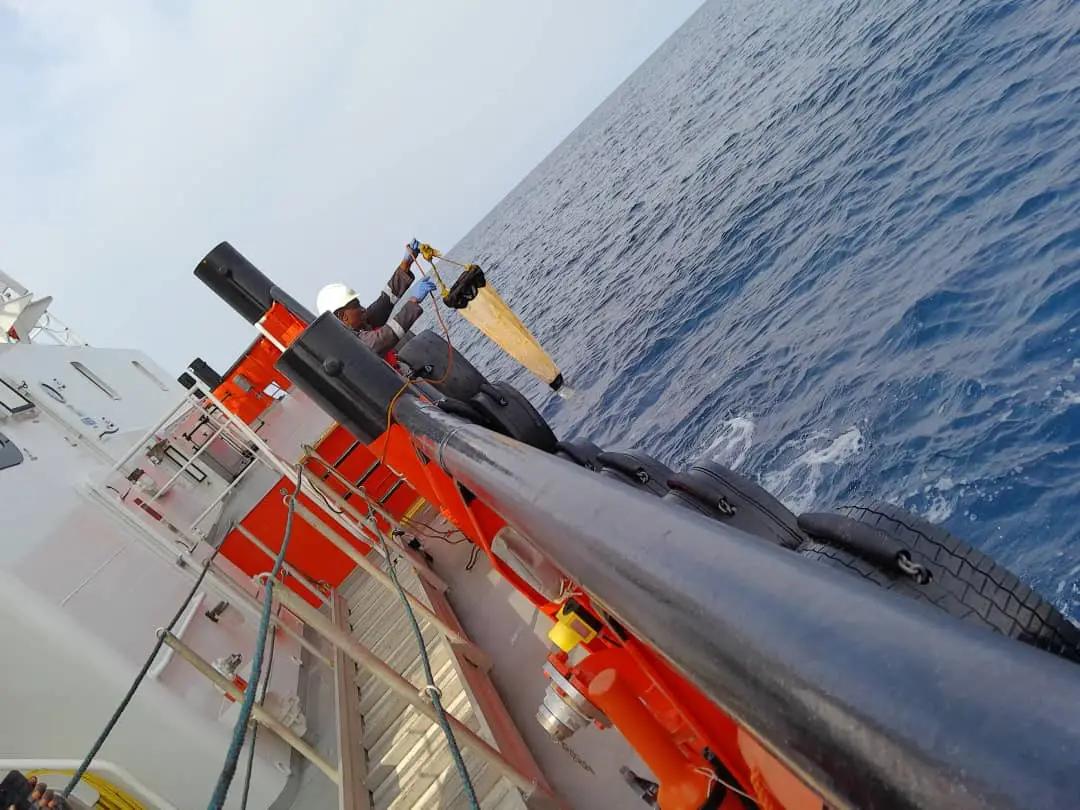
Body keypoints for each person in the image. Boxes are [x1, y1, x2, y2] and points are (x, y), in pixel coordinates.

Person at [315, 241, 438, 355]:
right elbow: (384, 338)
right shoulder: (351, 345)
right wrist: (413, 301)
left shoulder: (361, 325)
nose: (363, 309)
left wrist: (406, 263)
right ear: (343, 316)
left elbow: (386, 300)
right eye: (356, 306)